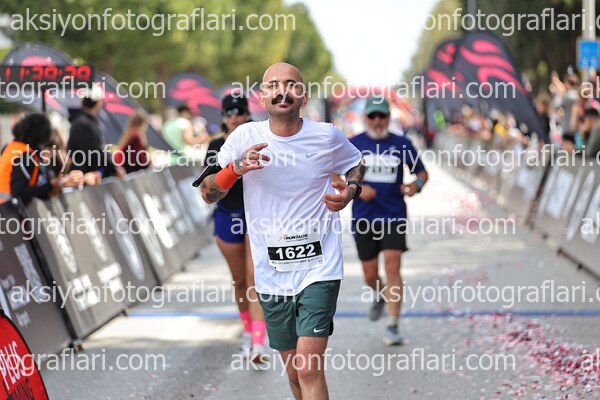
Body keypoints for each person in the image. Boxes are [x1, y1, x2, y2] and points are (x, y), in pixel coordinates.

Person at [199, 62, 364, 400]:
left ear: (303, 96)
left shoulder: (327, 135)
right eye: (273, 85)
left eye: (291, 84)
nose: (282, 90)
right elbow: (207, 192)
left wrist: (351, 191)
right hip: (271, 273)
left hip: (319, 267)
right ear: (262, 97)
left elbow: (356, 163)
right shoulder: (243, 137)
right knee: (293, 371)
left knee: (308, 367)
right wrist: (235, 169)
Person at [350, 97, 428, 346]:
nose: (377, 121)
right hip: (364, 217)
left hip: (393, 215)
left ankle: (393, 325)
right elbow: (333, 174)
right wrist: (357, 188)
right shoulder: (353, 144)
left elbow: (422, 172)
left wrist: (415, 185)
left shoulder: (402, 144)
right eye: (372, 116)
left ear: (388, 118)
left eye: (381, 116)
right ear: (365, 118)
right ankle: (380, 293)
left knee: (393, 267)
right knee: (369, 274)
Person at [205, 94, 268, 362]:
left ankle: (258, 343)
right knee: (240, 280)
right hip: (227, 216)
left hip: (255, 217)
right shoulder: (216, 145)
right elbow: (208, 187)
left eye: (239, 112)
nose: (233, 117)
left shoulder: (261, 139)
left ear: (247, 114)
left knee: (254, 279)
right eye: (228, 113)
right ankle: (247, 332)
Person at [0, 113, 81, 204]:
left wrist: (50, 187)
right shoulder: (26, 154)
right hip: (8, 208)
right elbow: (20, 193)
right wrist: (49, 187)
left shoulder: (10, 146)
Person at [67, 88, 123, 179]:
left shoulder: (82, 121)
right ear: (98, 102)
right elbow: (95, 153)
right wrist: (114, 168)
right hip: (85, 177)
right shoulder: (85, 124)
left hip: (85, 175)